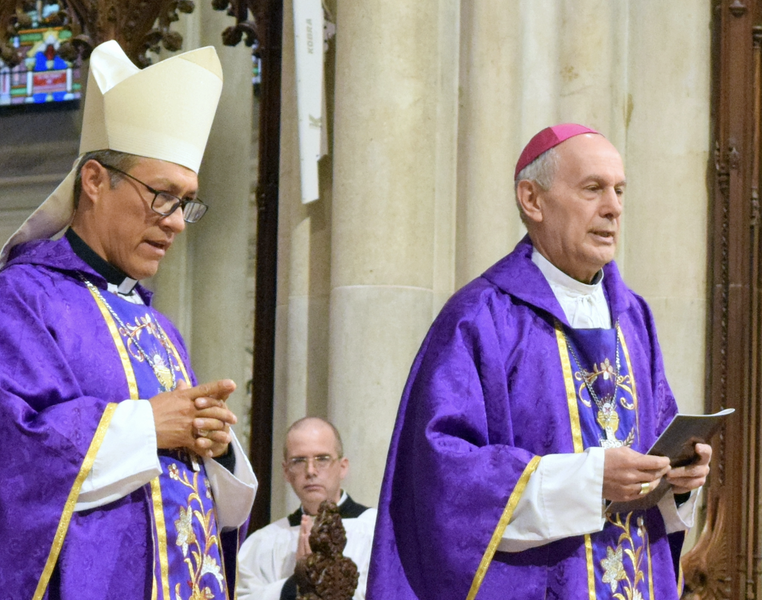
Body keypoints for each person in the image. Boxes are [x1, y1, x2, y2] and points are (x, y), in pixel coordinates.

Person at [0, 41, 258, 599]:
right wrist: (151, 426)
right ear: (95, 180)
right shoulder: (17, 303)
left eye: (187, 202)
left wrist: (215, 447)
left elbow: (188, 508)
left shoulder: (160, 329)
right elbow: (2, 463)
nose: (177, 224)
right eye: (162, 196)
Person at [367, 124, 712, 599]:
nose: (613, 207)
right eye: (593, 189)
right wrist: (589, 480)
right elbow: (443, 484)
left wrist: (677, 480)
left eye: (619, 190)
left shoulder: (633, 317)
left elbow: (652, 447)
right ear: (532, 199)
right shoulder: (481, 318)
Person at [237, 417, 376, 600]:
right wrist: (293, 584)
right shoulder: (262, 543)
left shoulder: (377, 530)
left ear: (343, 467)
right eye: (299, 461)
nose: (311, 470)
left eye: (322, 459)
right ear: (286, 471)